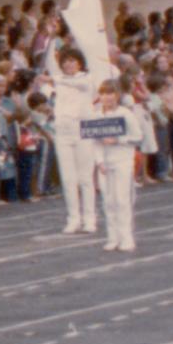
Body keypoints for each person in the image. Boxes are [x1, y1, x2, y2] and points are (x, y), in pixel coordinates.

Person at [47, 42, 104, 236]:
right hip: (63, 132)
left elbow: (80, 85)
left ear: (80, 64)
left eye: (73, 61)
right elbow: (48, 61)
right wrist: (51, 36)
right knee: (68, 178)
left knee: (85, 178)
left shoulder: (86, 78)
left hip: (82, 130)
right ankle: (73, 219)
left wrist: (56, 79)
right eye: (65, 61)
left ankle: (90, 219)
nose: (69, 65)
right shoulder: (59, 79)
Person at [90, 80, 146, 252]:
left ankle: (126, 237)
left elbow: (137, 137)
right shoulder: (96, 115)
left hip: (122, 160)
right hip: (105, 164)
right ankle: (112, 237)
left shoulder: (126, 114)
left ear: (117, 95)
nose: (107, 97)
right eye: (104, 93)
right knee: (108, 201)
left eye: (110, 93)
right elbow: (94, 142)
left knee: (122, 200)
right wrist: (99, 162)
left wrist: (118, 140)